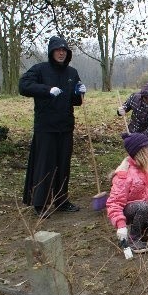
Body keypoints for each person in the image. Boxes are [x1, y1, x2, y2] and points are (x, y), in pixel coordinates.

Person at [19, 35, 86, 218]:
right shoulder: (40, 70)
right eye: (58, 50)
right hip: (45, 127)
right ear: (51, 52)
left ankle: (61, 199)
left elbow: (75, 101)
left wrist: (78, 93)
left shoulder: (72, 73)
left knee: (63, 164)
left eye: (64, 50)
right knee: (45, 165)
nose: (61, 53)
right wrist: (46, 90)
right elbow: (23, 86)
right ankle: (40, 203)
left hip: (65, 126)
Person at [117, 82, 148, 176]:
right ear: (142, 95)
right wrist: (121, 110)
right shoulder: (134, 97)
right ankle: (137, 179)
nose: (147, 100)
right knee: (134, 160)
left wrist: (140, 139)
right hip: (134, 133)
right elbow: (125, 107)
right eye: (145, 98)